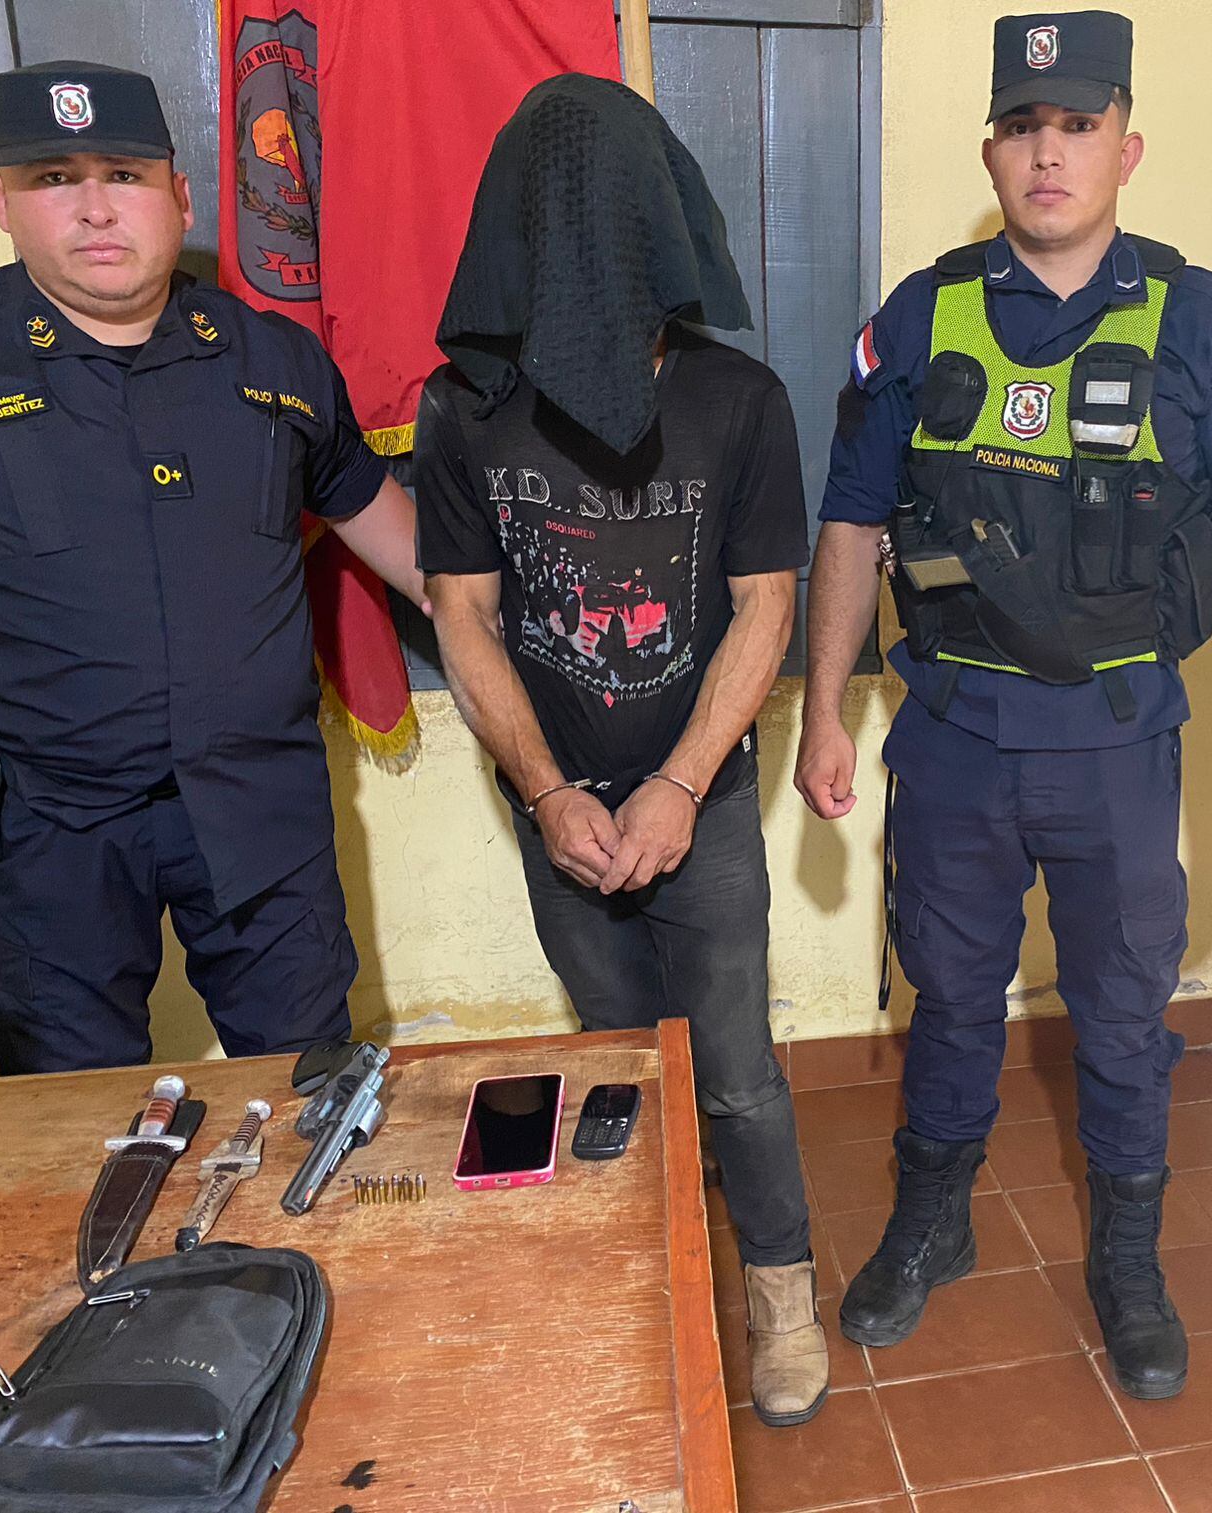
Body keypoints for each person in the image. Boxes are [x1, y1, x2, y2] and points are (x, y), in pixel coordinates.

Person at [795, 12, 1212, 1400]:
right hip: (954, 739)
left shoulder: (1198, 321)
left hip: (1119, 749)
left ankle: (1129, 1259)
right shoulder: (923, 314)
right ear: (991, 152)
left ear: (1126, 149)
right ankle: (933, 1220)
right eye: (1023, 126)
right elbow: (850, 522)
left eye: (1078, 125)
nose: (1048, 152)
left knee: (1125, 1013)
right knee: (951, 996)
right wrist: (825, 711)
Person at [415, 74, 828, 1426]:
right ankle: (646, 1263)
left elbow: (767, 606)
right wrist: (546, 791)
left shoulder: (740, 400)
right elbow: (463, 613)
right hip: (560, 808)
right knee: (614, 1054)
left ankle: (778, 1285)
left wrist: (681, 784)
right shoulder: (463, 409)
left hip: (702, 798)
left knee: (738, 1070)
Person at [0, 62, 426, 1073]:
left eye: (125, 175)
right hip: (46, 834)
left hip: (260, 813)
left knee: (312, 1092)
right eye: (55, 179)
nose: (96, 209)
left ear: (179, 195)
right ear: (1, 201)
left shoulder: (274, 362)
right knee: (70, 1119)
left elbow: (410, 552)